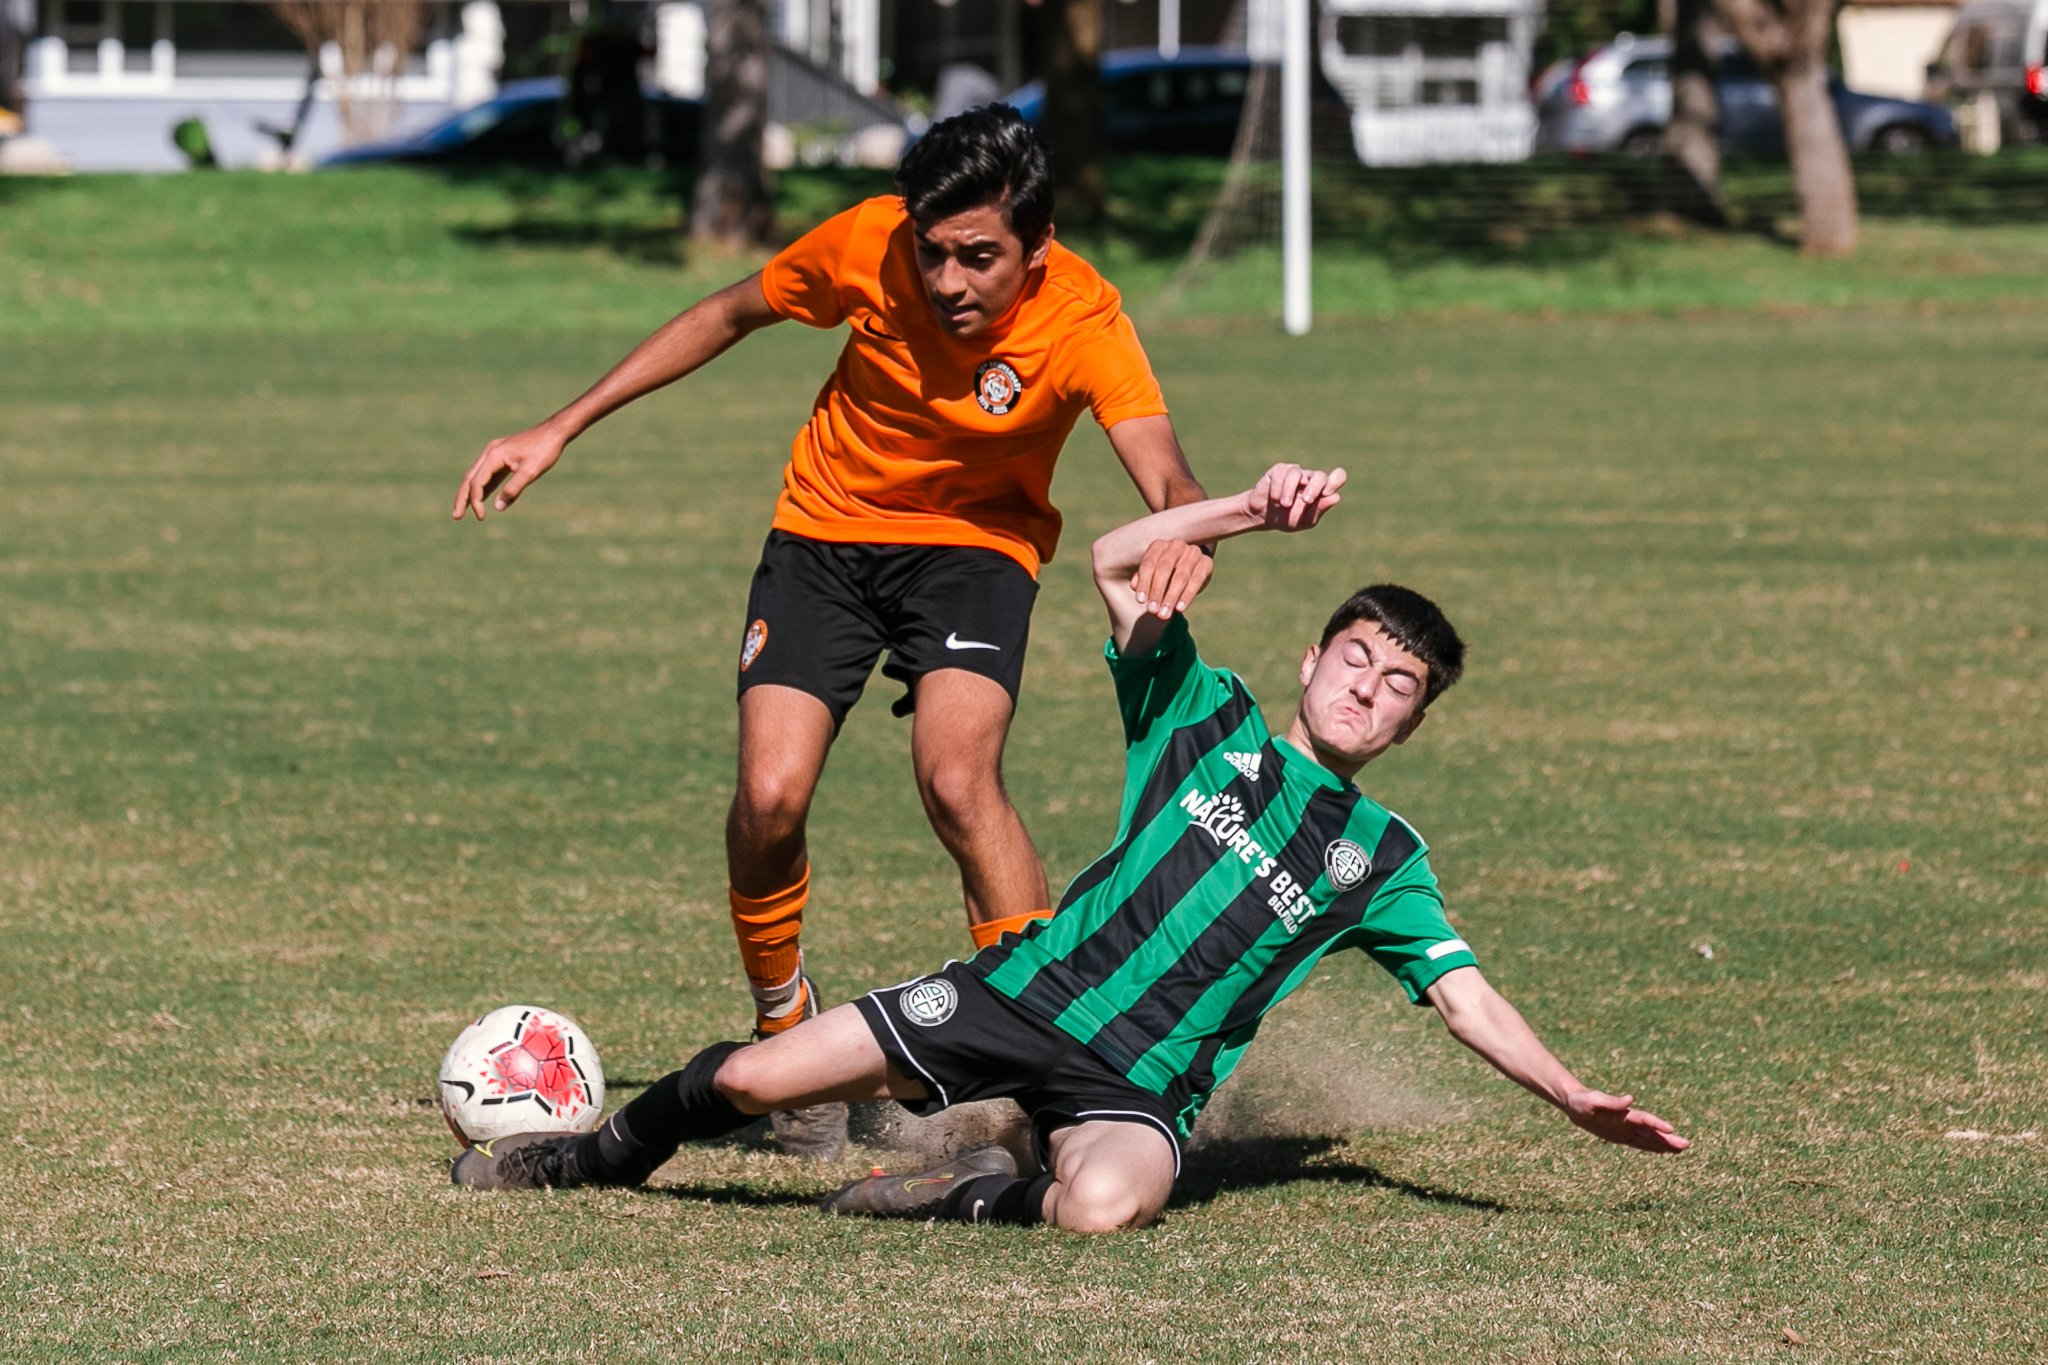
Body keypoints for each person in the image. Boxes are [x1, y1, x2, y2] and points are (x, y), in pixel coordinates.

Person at [450, 462, 1691, 1230]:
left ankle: (968, 1188)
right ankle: (594, 1156)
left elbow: (1465, 1001)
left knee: (1102, 1208)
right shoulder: (1200, 714)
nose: (1367, 690)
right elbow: (1105, 559)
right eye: (1354, 659)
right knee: (745, 1083)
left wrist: (1569, 1094)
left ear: (1413, 724)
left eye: (1398, 686)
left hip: (1133, 1091)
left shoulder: (1381, 855)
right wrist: (1248, 512)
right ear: (1311, 661)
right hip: (1014, 996)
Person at [449, 106, 1211, 1157]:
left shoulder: (1084, 320)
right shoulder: (866, 241)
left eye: (978, 259)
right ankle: (785, 1044)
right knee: (768, 796)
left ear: (1036, 249)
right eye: (932, 254)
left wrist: (1188, 533)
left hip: (975, 551)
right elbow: (723, 315)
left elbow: (1164, 466)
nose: (947, 282)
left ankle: (1042, 1056)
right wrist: (557, 426)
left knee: (956, 778)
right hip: (824, 535)